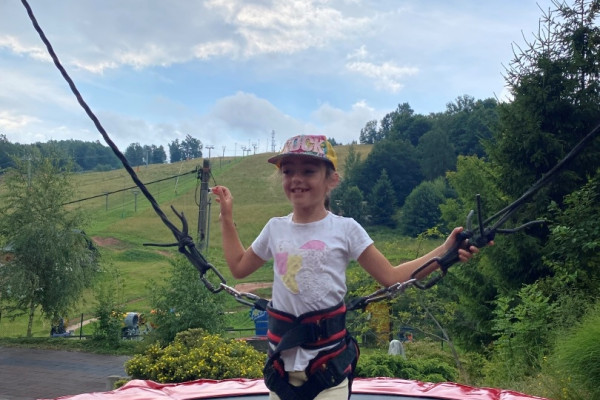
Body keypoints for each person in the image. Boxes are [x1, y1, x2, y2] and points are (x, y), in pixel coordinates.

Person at [212, 134, 488, 400]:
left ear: (331, 180)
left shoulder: (345, 230)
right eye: (288, 172)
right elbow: (239, 267)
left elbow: (391, 277)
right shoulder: (275, 228)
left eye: (308, 171)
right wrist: (226, 216)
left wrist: (445, 250)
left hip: (327, 369)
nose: (296, 179)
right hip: (281, 370)